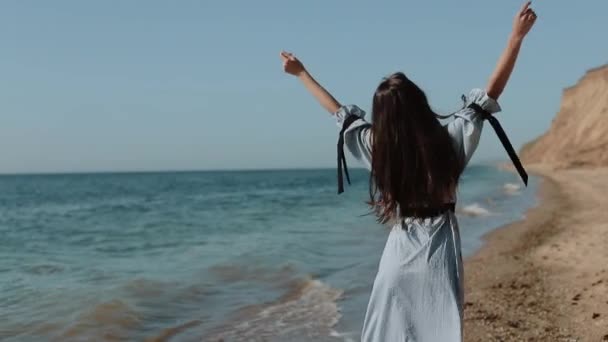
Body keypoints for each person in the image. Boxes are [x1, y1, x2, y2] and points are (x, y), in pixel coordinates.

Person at [280, 2, 537, 341]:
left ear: (382, 116)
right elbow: (492, 91)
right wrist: (515, 38)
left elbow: (339, 114)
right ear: (419, 102)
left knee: (388, 332)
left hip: (398, 253)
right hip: (439, 249)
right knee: (439, 328)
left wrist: (301, 74)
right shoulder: (449, 141)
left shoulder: (379, 148)